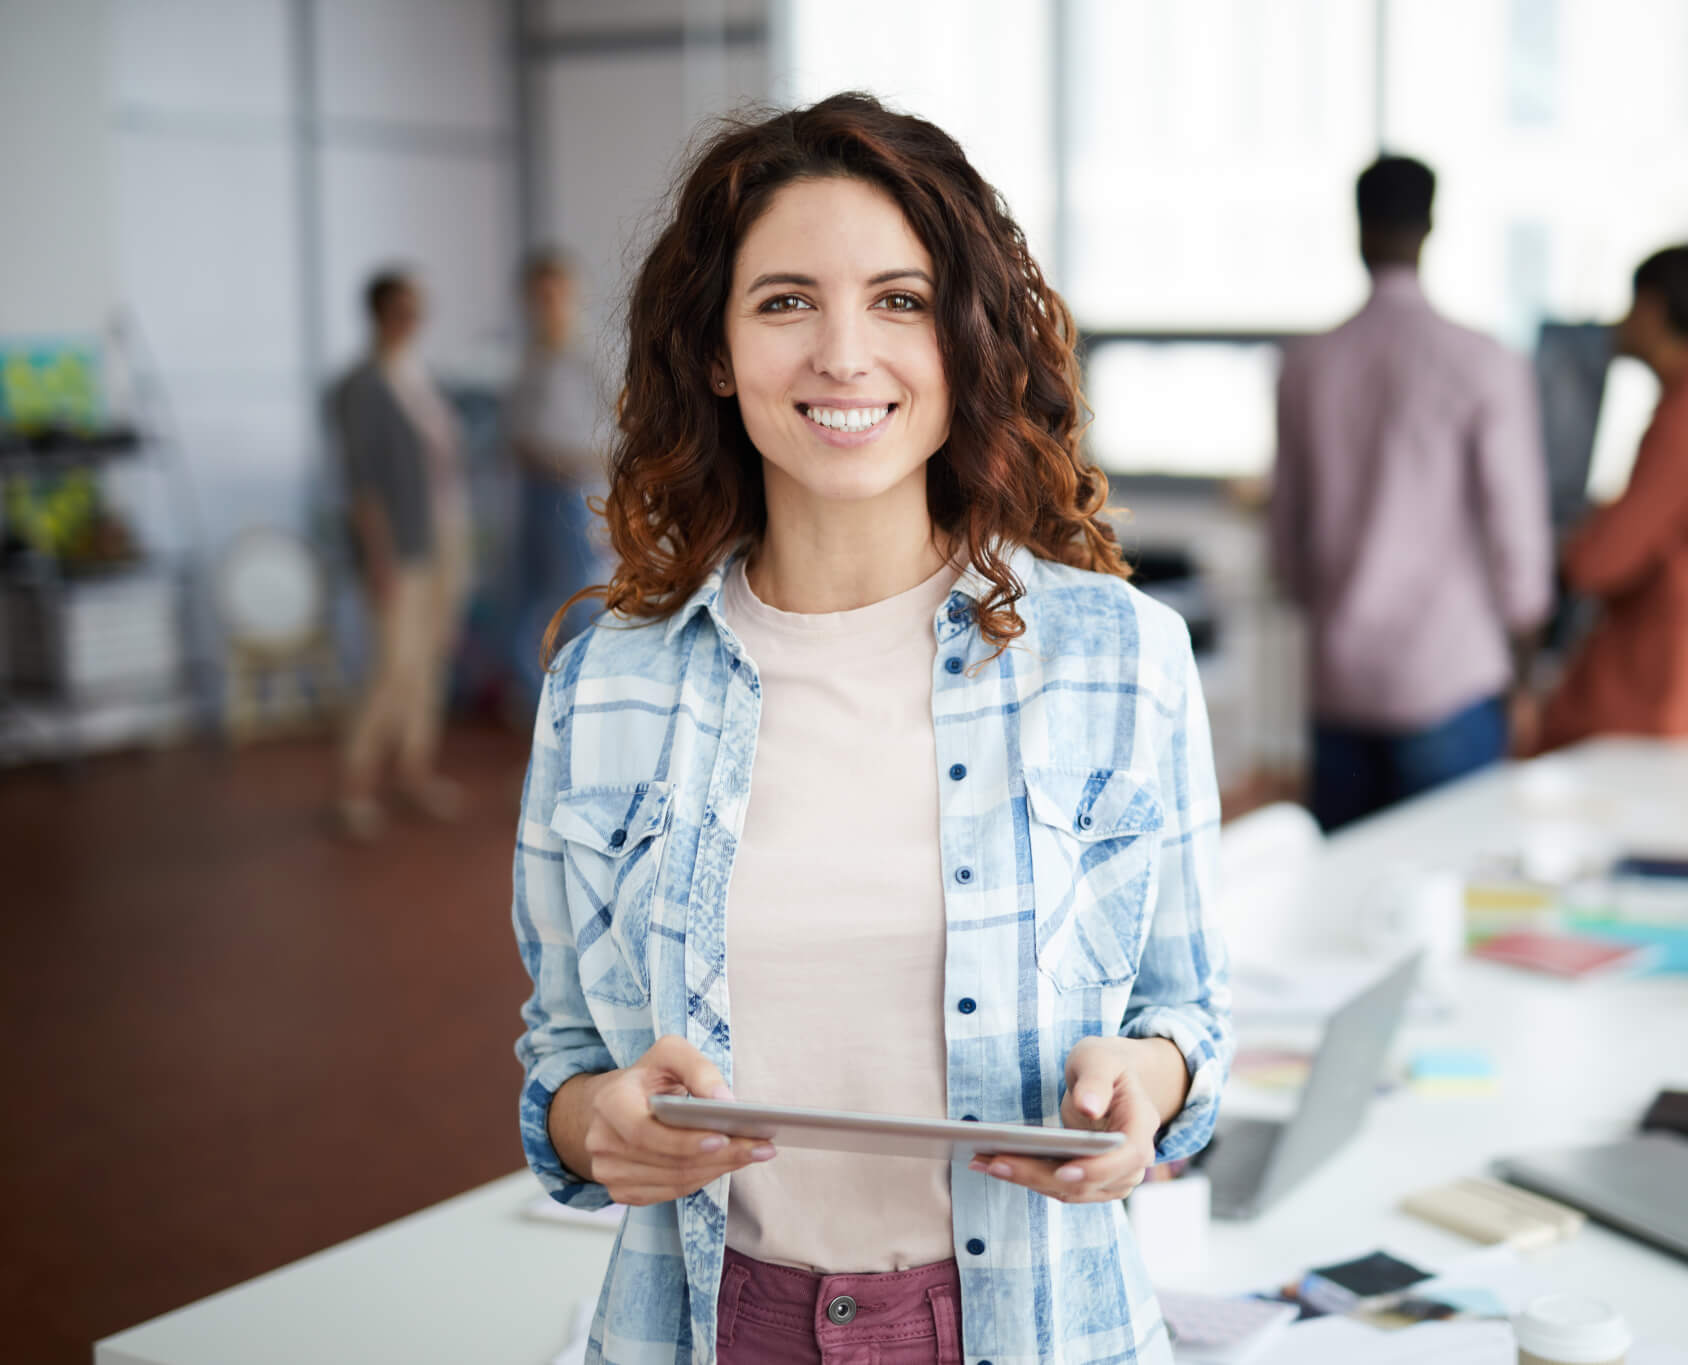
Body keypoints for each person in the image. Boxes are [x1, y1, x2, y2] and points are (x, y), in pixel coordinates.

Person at [511, 94, 1230, 1365]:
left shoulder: (1120, 657)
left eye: (898, 301)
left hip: (1036, 1327)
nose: (844, 355)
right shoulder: (606, 686)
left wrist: (1147, 1090)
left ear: (962, 341)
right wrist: (590, 1128)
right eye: (786, 301)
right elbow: (565, 1058)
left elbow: (1188, 1018)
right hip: (707, 1324)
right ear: (718, 353)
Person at [1267, 155, 1552, 831]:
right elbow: (1518, 541)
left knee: (1338, 917)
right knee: (1452, 903)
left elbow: (1287, 543)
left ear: (1358, 230)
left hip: (1340, 681)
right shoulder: (1484, 361)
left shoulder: (1307, 365)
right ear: (1430, 229)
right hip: (1449, 681)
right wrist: (1526, 669)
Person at [1526, 245, 1688, 754]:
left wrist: (1566, 537)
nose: (1620, 321)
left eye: (1631, 304)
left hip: (1671, 674)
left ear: (1654, 310)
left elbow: (1598, 561)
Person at [330, 269, 471, 839]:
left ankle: (414, 772)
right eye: (400, 310)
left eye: (417, 308)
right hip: (400, 545)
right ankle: (355, 786)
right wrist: (378, 560)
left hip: (445, 536)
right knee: (393, 666)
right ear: (378, 314)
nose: (411, 320)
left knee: (432, 660)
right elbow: (362, 484)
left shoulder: (420, 375)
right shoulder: (360, 386)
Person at [502, 248, 610, 710]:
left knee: (578, 598)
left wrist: (572, 464)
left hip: (574, 490)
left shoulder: (595, 356)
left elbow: (630, 429)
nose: (548, 304)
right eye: (538, 296)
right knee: (526, 604)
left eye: (557, 294)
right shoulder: (529, 357)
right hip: (532, 490)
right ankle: (541, 703)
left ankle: (586, 700)